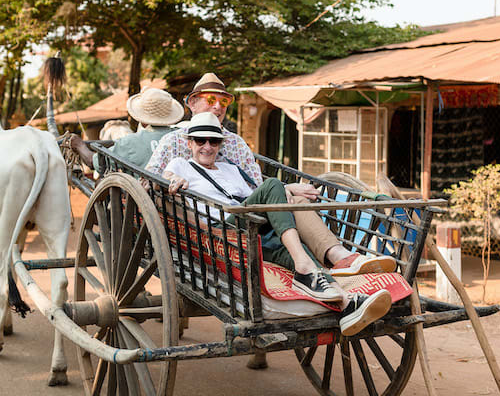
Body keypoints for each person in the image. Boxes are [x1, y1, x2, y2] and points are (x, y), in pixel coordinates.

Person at [163, 112, 395, 336]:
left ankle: (344, 301)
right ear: (189, 142)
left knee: (291, 236)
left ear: (220, 144)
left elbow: (259, 194)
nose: (207, 146)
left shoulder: (231, 169)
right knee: (275, 185)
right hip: (224, 227)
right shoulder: (180, 165)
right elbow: (163, 180)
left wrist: (288, 193)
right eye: (201, 140)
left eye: (213, 141)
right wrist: (173, 180)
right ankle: (326, 260)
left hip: (254, 223)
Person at [145, 72, 263, 187]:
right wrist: (170, 179)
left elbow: (256, 186)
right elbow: (147, 181)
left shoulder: (237, 144)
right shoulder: (172, 141)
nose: (218, 106)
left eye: (223, 101)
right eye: (211, 100)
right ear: (192, 103)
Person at [71, 87, 184, 172]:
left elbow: (93, 162)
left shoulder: (130, 143)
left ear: (142, 119)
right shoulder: (182, 138)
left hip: (142, 200)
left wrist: (79, 145)